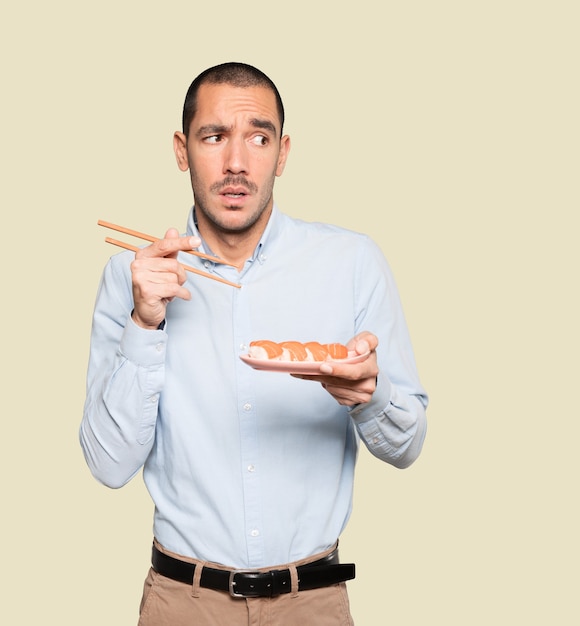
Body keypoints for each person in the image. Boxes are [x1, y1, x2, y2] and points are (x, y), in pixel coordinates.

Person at [80, 62, 428, 625]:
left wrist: (370, 394)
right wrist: (145, 325)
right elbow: (107, 465)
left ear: (283, 153)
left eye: (258, 138)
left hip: (311, 600)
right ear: (181, 149)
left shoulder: (352, 262)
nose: (236, 163)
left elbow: (407, 447)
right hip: (182, 601)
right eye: (214, 137)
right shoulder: (133, 275)